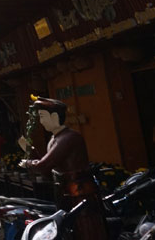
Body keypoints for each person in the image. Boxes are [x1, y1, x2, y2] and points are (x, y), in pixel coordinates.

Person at [18, 98, 106, 240]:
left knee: (86, 231)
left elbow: (44, 165)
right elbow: (48, 169)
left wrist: (28, 162)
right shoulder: (54, 139)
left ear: (54, 117)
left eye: (42, 117)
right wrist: (30, 150)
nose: (41, 122)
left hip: (79, 196)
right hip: (64, 194)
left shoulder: (69, 138)